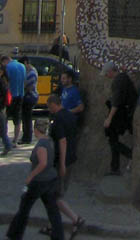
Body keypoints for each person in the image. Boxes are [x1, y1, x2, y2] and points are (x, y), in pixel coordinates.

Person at [6, 118, 65, 240]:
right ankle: (58, 236)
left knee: (24, 207)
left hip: (39, 181)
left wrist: (30, 176)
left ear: (36, 129)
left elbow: (43, 163)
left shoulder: (41, 145)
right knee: (53, 210)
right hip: (51, 179)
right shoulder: (50, 141)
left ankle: (15, 234)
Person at [46, 93, 84, 238]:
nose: (49, 110)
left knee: (55, 195)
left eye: (49, 107)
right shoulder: (70, 116)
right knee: (57, 193)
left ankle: (76, 219)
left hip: (62, 161)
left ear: (53, 105)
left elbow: (62, 141)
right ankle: (52, 225)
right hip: (71, 158)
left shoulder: (58, 119)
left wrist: (61, 164)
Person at [103, 63, 136, 174]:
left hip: (122, 113)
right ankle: (115, 168)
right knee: (113, 139)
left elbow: (116, 102)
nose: (106, 76)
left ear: (111, 71)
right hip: (125, 111)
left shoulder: (119, 80)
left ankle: (130, 154)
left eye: (106, 73)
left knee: (112, 138)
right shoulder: (122, 78)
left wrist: (109, 118)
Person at [6, 50, 27, 145]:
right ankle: (15, 139)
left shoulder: (7, 67)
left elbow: (6, 81)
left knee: (5, 118)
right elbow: (25, 81)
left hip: (10, 95)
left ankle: (5, 139)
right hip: (20, 94)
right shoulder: (22, 66)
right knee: (17, 119)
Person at [22, 58, 40, 144]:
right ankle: (25, 136)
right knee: (25, 117)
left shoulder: (32, 72)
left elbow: (27, 84)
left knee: (27, 118)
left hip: (30, 96)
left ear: (26, 63)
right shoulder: (28, 71)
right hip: (27, 96)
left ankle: (27, 137)